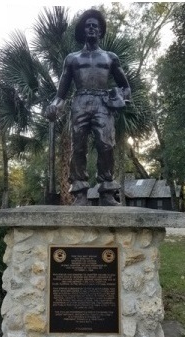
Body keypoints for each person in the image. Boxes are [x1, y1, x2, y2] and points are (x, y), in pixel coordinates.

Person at [45, 9, 131, 206]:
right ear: (83, 31)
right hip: (80, 101)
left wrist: (118, 97)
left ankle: (107, 192)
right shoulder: (72, 59)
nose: (91, 28)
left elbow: (126, 87)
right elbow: (61, 94)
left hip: (103, 102)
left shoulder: (110, 58)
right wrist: (54, 105)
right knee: (78, 147)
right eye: (88, 26)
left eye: (95, 26)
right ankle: (80, 192)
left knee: (106, 145)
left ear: (101, 31)